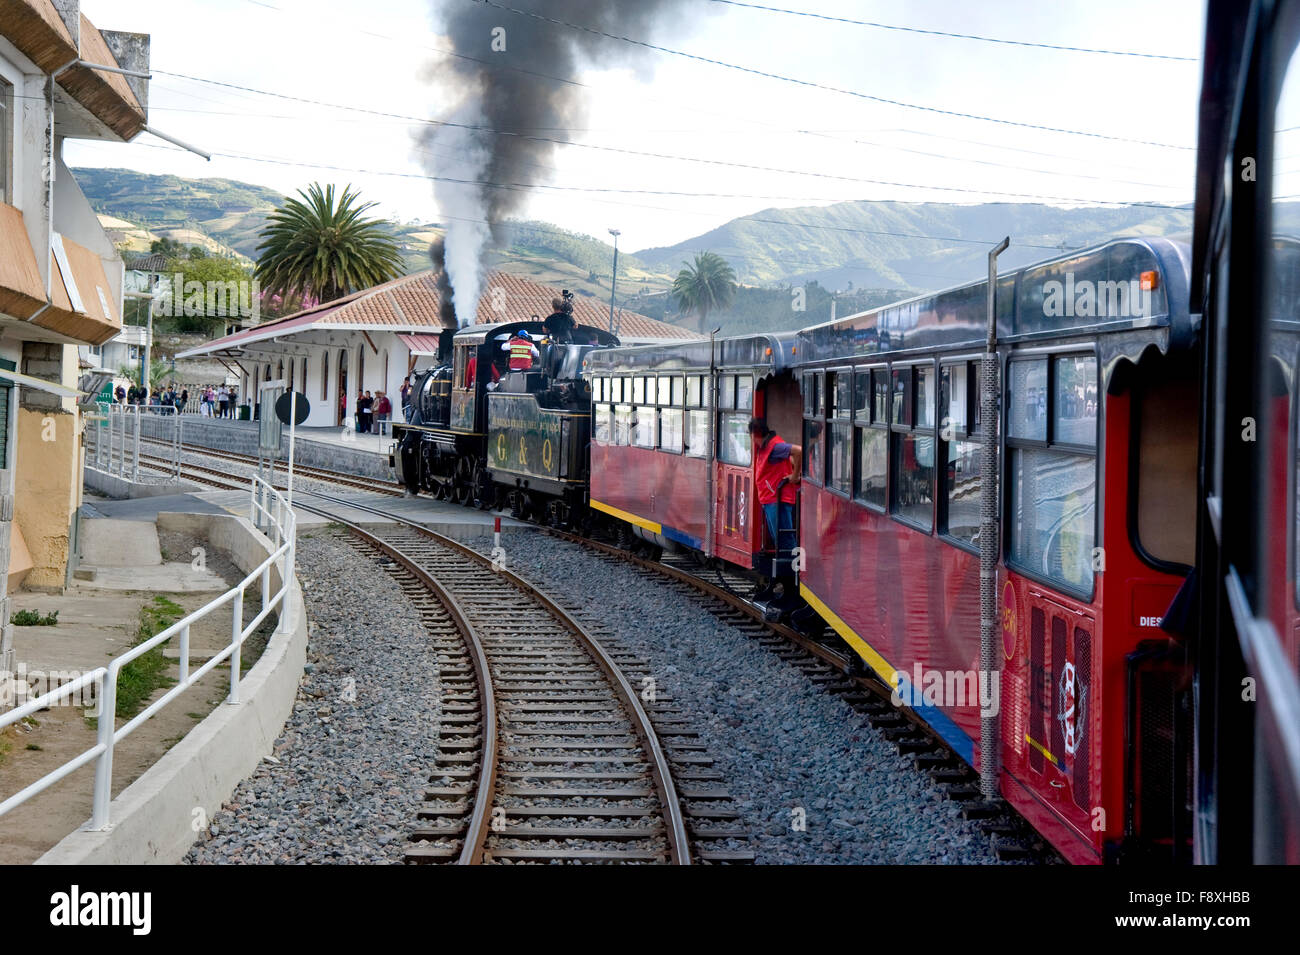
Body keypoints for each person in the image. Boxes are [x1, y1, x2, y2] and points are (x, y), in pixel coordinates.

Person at [750, 416, 802, 602]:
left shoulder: (774, 446)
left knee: (785, 540)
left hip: (777, 500)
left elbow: (798, 451)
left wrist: (794, 476)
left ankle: (795, 587)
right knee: (782, 540)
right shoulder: (768, 447)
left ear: (756, 434)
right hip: (772, 499)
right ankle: (789, 586)